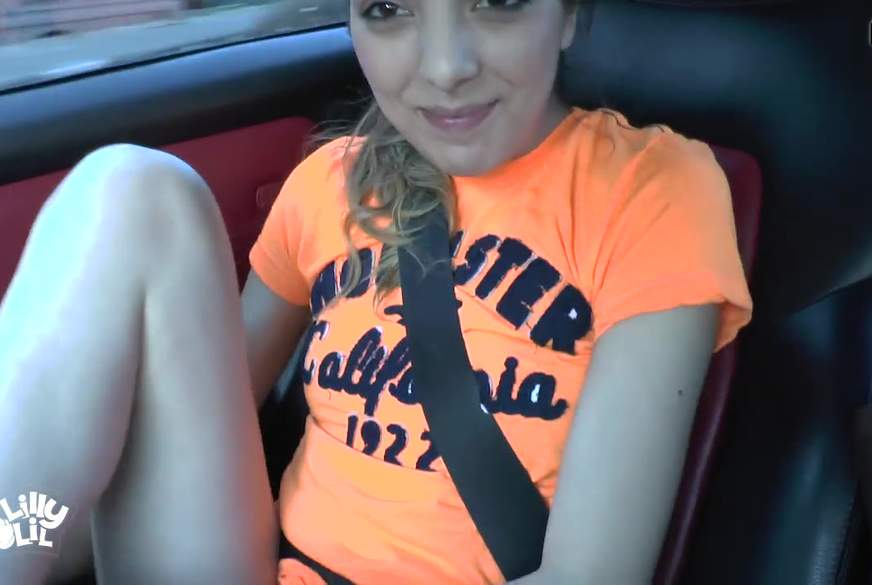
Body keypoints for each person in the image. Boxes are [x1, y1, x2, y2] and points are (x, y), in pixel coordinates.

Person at [0, 1, 753, 584]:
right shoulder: (329, 184)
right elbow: (180, 425)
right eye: (390, 9)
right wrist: (36, 531)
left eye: (497, 2)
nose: (447, 66)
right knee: (131, 186)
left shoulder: (652, 190)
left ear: (568, 15)